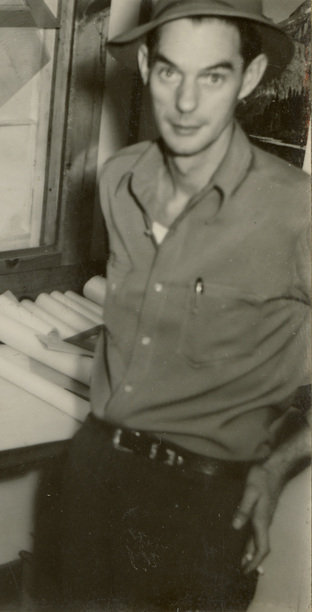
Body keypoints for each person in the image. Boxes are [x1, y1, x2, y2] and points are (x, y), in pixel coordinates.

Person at [39, 0, 311, 610]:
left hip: (207, 501)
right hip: (94, 472)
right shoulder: (118, 180)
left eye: (212, 76)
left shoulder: (298, 212)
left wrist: (276, 466)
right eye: (170, 72)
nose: (186, 103)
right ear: (143, 66)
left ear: (249, 77)